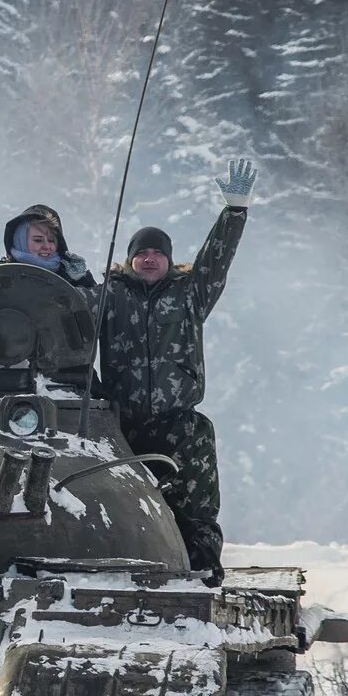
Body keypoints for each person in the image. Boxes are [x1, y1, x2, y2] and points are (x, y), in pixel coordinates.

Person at [94, 159, 255, 583]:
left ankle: (201, 559)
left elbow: (215, 262)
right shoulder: (109, 295)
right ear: (129, 260)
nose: (149, 260)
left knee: (195, 483)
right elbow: (69, 332)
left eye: (157, 253)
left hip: (175, 420)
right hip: (120, 419)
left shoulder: (189, 296)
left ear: (168, 259)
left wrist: (233, 213)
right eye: (141, 253)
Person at [0, 204, 94, 287]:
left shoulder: (72, 277)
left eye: (51, 240)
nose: (46, 246)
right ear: (20, 241)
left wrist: (86, 280)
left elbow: (98, 309)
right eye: (38, 240)